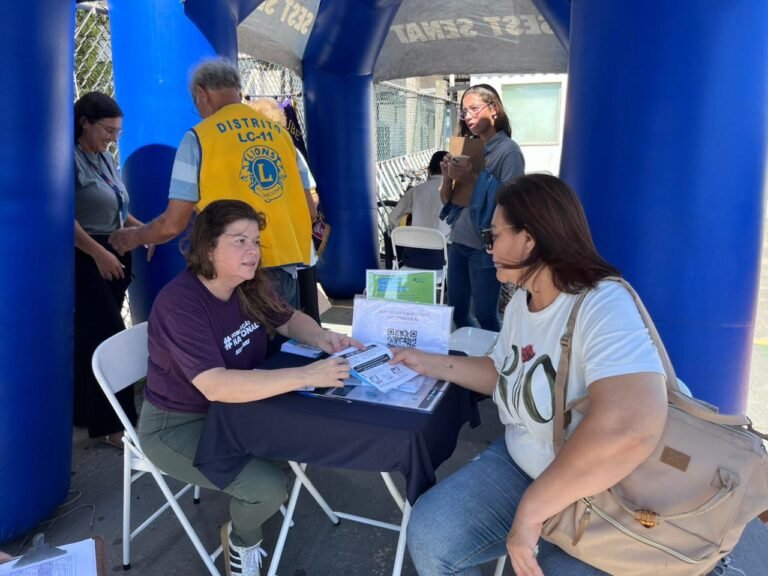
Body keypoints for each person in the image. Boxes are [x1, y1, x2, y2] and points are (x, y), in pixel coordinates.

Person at [392, 174, 668, 576]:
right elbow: (501, 372)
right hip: (522, 463)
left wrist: (532, 511)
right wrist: (426, 361)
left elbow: (632, 424)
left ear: (530, 239)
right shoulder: (523, 302)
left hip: (598, 489)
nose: (488, 246)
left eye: (494, 235)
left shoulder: (602, 302)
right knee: (431, 534)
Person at [139, 199, 358, 576]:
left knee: (296, 449)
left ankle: (252, 511)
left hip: (235, 410)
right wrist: (307, 376)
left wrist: (324, 338)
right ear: (208, 247)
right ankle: (241, 541)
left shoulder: (248, 284)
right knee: (266, 488)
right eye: (239, 241)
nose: (252, 251)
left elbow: (289, 319)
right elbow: (215, 385)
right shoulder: (180, 304)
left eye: (255, 241)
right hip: (177, 424)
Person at [109, 58, 312, 308]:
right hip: (286, 264)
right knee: (284, 343)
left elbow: (173, 224)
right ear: (237, 90)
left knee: (240, 346)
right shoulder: (281, 136)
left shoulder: (199, 138)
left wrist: (134, 236)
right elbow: (309, 209)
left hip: (234, 271)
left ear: (201, 94)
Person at [74, 91, 149, 446]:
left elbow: (117, 205)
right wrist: (97, 254)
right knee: (109, 336)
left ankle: (87, 414)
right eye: (107, 130)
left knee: (92, 337)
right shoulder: (68, 159)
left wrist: (141, 231)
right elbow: (64, 216)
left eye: (117, 132)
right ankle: (115, 427)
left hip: (114, 251)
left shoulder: (102, 158)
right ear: (84, 123)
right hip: (88, 255)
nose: (113, 138)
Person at [440, 84, 525, 331]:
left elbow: (512, 200)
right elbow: (448, 200)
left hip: (485, 245)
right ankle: (475, 355)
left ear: (494, 110)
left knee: (487, 316)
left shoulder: (508, 151)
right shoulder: (469, 147)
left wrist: (473, 179)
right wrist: (447, 176)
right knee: (457, 312)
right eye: (463, 111)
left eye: (474, 109)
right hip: (459, 241)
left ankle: (497, 363)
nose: (467, 116)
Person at [388, 150, 451, 237]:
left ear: (429, 170)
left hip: (415, 247)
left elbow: (393, 218)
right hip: (445, 247)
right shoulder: (456, 193)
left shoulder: (415, 191)